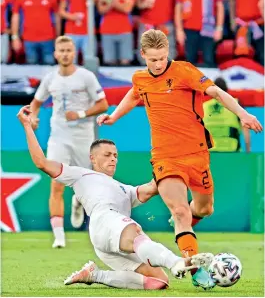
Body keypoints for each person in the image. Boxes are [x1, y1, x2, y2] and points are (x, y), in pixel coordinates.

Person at [97, 29, 263, 289]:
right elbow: (134, 93)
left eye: (162, 58)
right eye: (152, 59)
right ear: (143, 55)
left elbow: (217, 93)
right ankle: (195, 269)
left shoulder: (185, 71)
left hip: (197, 154)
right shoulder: (140, 78)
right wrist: (114, 116)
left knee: (204, 209)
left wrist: (243, 114)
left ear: (168, 54)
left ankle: (184, 227)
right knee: (180, 210)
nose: (158, 64)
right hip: (165, 156)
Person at [17, 105, 214, 290]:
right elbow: (42, 163)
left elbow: (153, 187)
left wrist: (176, 160)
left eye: (115, 155)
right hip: (106, 221)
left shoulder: (124, 189)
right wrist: (27, 126)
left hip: (109, 243)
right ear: (92, 158)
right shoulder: (80, 175)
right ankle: (176, 262)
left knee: (158, 282)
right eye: (107, 155)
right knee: (135, 232)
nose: (113, 158)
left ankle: (95, 275)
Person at [30, 35, 109, 248]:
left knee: (88, 185)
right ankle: (59, 237)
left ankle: (77, 202)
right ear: (56, 53)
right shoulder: (50, 78)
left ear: (75, 53)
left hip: (84, 138)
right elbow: (36, 102)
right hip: (59, 137)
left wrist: (81, 113)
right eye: (61, 51)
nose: (65, 54)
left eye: (68, 50)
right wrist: (33, 117)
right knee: (56, 184)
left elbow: (103, 104)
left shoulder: (86, 77)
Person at [203, 77, 251, 152]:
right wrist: (248, 150)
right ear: (226, 90)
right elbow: (246, 129)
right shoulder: (236, 104)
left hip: (209, 151)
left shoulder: (204, 106)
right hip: (231, 150)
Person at [175, 0, 224, 67]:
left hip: (209, 29)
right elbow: (178, 6)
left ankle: (209, 77)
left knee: (209, 60)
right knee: (190, 61)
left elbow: (219, 5)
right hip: (189, 28)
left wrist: (219, 28)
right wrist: (179, 30)